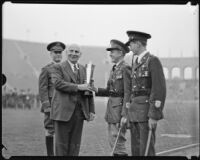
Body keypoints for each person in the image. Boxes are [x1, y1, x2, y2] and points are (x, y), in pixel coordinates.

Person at [124, 31, 166, 156]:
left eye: (131, 44)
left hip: (146, 112)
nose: (129, 47)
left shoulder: (152, 61)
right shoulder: (135, 63)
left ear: (138, 44)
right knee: (136, 149)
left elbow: (159, 89)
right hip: (135, 112)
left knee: (146, 150)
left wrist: (154, 115)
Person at [50, 43, 95, 156]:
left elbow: (89, 90)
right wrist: (79, 87)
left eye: (76, 52)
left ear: (80, 54)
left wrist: (91, 110)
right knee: (61, 147)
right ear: (66, 53)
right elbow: (58, 84)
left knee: (75, 146)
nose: (73, 54)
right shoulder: (57, 67)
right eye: (71, 51)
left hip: (79, 112)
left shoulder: (84, 69)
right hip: (62, 112)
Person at [91, 39, 131, 156]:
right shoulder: (114, 69)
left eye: (112, 51)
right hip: (112, 108)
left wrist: (125, 114)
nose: (110, 54)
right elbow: (109, 91)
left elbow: (128, 92)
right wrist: (95, 89)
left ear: (120, 52)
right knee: (113, 140)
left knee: (118, 141)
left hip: (119, 109)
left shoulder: (125, 68)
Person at [39, 41, 66, 156]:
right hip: (51, 105)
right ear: (51, 54)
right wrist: (47, 106)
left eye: (60, 52)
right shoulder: (46, 69)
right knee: (50, 130)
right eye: (55, 52)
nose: (58, 55)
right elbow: (42, 89)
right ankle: (50, 155)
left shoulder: (66, 68)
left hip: (64, 105)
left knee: (63, 132)